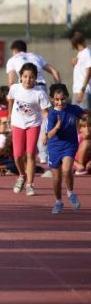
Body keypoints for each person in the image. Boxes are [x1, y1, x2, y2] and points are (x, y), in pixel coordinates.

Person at [6, 39, 61, 163]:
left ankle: (29, 153)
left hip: (25, 88)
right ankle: (43, 154)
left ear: (14, 51)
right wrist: (58, 87)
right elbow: (55, 71)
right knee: (41, 119)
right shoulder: (36, 56)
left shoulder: (13, 59)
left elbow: (10, 81)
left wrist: (15, 92)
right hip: (41, 87)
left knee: (26, 118)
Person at [7, 63, 50, 197]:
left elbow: (45, 113)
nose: (27, 80)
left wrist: (47, 131)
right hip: (17, 124)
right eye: (25, 76)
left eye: (31, 77)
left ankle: (30, 185)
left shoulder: (39, 93)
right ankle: (21, 175)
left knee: (31, 153)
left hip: (33, 124)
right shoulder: (15, 88)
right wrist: (9, 115)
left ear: (35, 78)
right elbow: (10, 100)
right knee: (18, 155)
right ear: (21, 77)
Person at [44, 84, 86, 214]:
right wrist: (57, 127)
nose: (60, 102)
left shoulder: (74, 110)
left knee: (67, 170)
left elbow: (85, 113)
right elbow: (49, 135)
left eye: (62, 99)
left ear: (66, 97)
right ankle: (58, 202)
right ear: (52, 99)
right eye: (57, 100)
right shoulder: (52, 115)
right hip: (55, 147)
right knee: (57, 179)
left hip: (69, 145)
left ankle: (71, 193)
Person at [70, 32, 91, 109]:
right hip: (77, 90)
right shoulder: (80, 54)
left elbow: (89, 72)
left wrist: (82, 90)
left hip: (83, 91)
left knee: (85, 118)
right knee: (75, 118)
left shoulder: (86, 53)